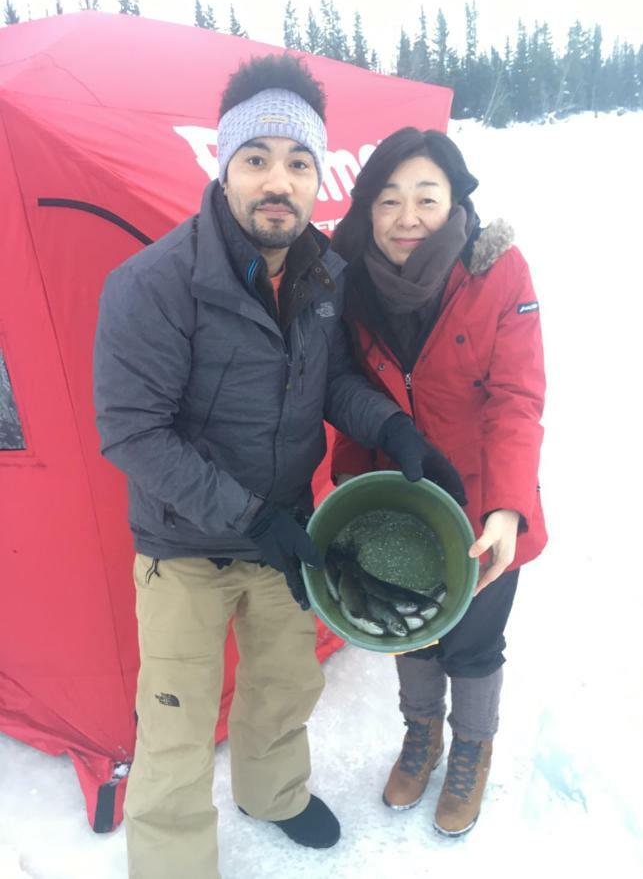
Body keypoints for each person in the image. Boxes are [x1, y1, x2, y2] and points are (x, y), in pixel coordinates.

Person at [94, 58, 465, 879]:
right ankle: (172, 864)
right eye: (257, 158)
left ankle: (273, 795)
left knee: (283, 690)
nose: (279, 181)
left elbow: (331, 379)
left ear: (315, 178)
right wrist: (250, 518)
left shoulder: (324, 273)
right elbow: (132, 434)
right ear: (222, 165)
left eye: (298, 162)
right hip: (184, 546)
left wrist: (396, 430)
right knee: (178, 723)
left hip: (288, 535)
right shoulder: (151, 285)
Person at [330, 127, 547, 838]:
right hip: (395, 495)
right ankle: (420, 732)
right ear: (367, 208)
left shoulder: (499, 271)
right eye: (388, 199)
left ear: (455, 201)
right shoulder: (347, 278)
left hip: (482, 500)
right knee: (411, 632)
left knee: (474, 641)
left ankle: (471, 749)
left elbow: (517, 398)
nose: (406, 216)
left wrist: (509, 508)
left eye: (426, 195)